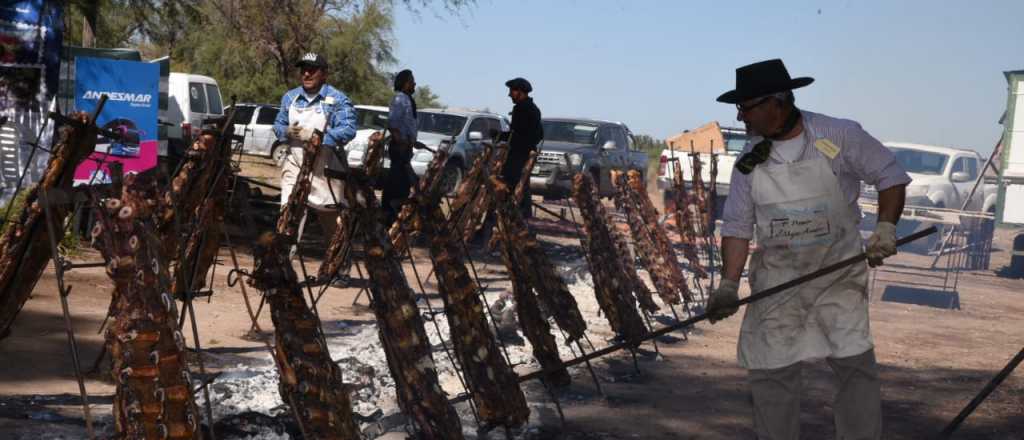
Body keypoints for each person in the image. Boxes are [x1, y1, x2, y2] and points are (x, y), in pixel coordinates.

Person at [705, 59, 911, 440]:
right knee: (770, 369)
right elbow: (736, 227)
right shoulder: (748, 163)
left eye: (746, 107)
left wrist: (886, 227)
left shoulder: (839, 135)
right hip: (779, 278)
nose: (741, 116)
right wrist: (728, 285)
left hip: (837, 272)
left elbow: (890, 176)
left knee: (854, 364)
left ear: (776, 102)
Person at [273, 52, 357, 240]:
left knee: (334, 231)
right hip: (294, 167)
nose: (307, 75)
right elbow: (278, 124)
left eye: (312, 70)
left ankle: (339, 267)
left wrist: (317, 138)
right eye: (304, 70)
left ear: (324, 74)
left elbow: (348, 129)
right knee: (287, 221)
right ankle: (281, 263)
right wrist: (286, 131)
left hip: (325, 172)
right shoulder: (290, 98)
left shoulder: (338, 99)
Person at [382, 69, 418, 227]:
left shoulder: (408, 99)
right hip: (399, 147)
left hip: (406, 146)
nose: (414, 83)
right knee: (397, 181)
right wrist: (402, 141)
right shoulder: (400, 99)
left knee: (402, 182)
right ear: (405, 83)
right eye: (412, 81)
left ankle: (394, 214)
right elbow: (393, 123)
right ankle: (388, 214)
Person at [503, 77, 543, 217]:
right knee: (522, 187)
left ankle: (518, 222)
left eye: (512, 91)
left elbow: (520, 135)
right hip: (522, 153)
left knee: (513, 185)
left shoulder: (524, 109)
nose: (509, 95)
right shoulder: (531, 109)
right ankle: (523, 221)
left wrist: (502, 136)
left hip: (519, 155)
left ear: (520, 92)